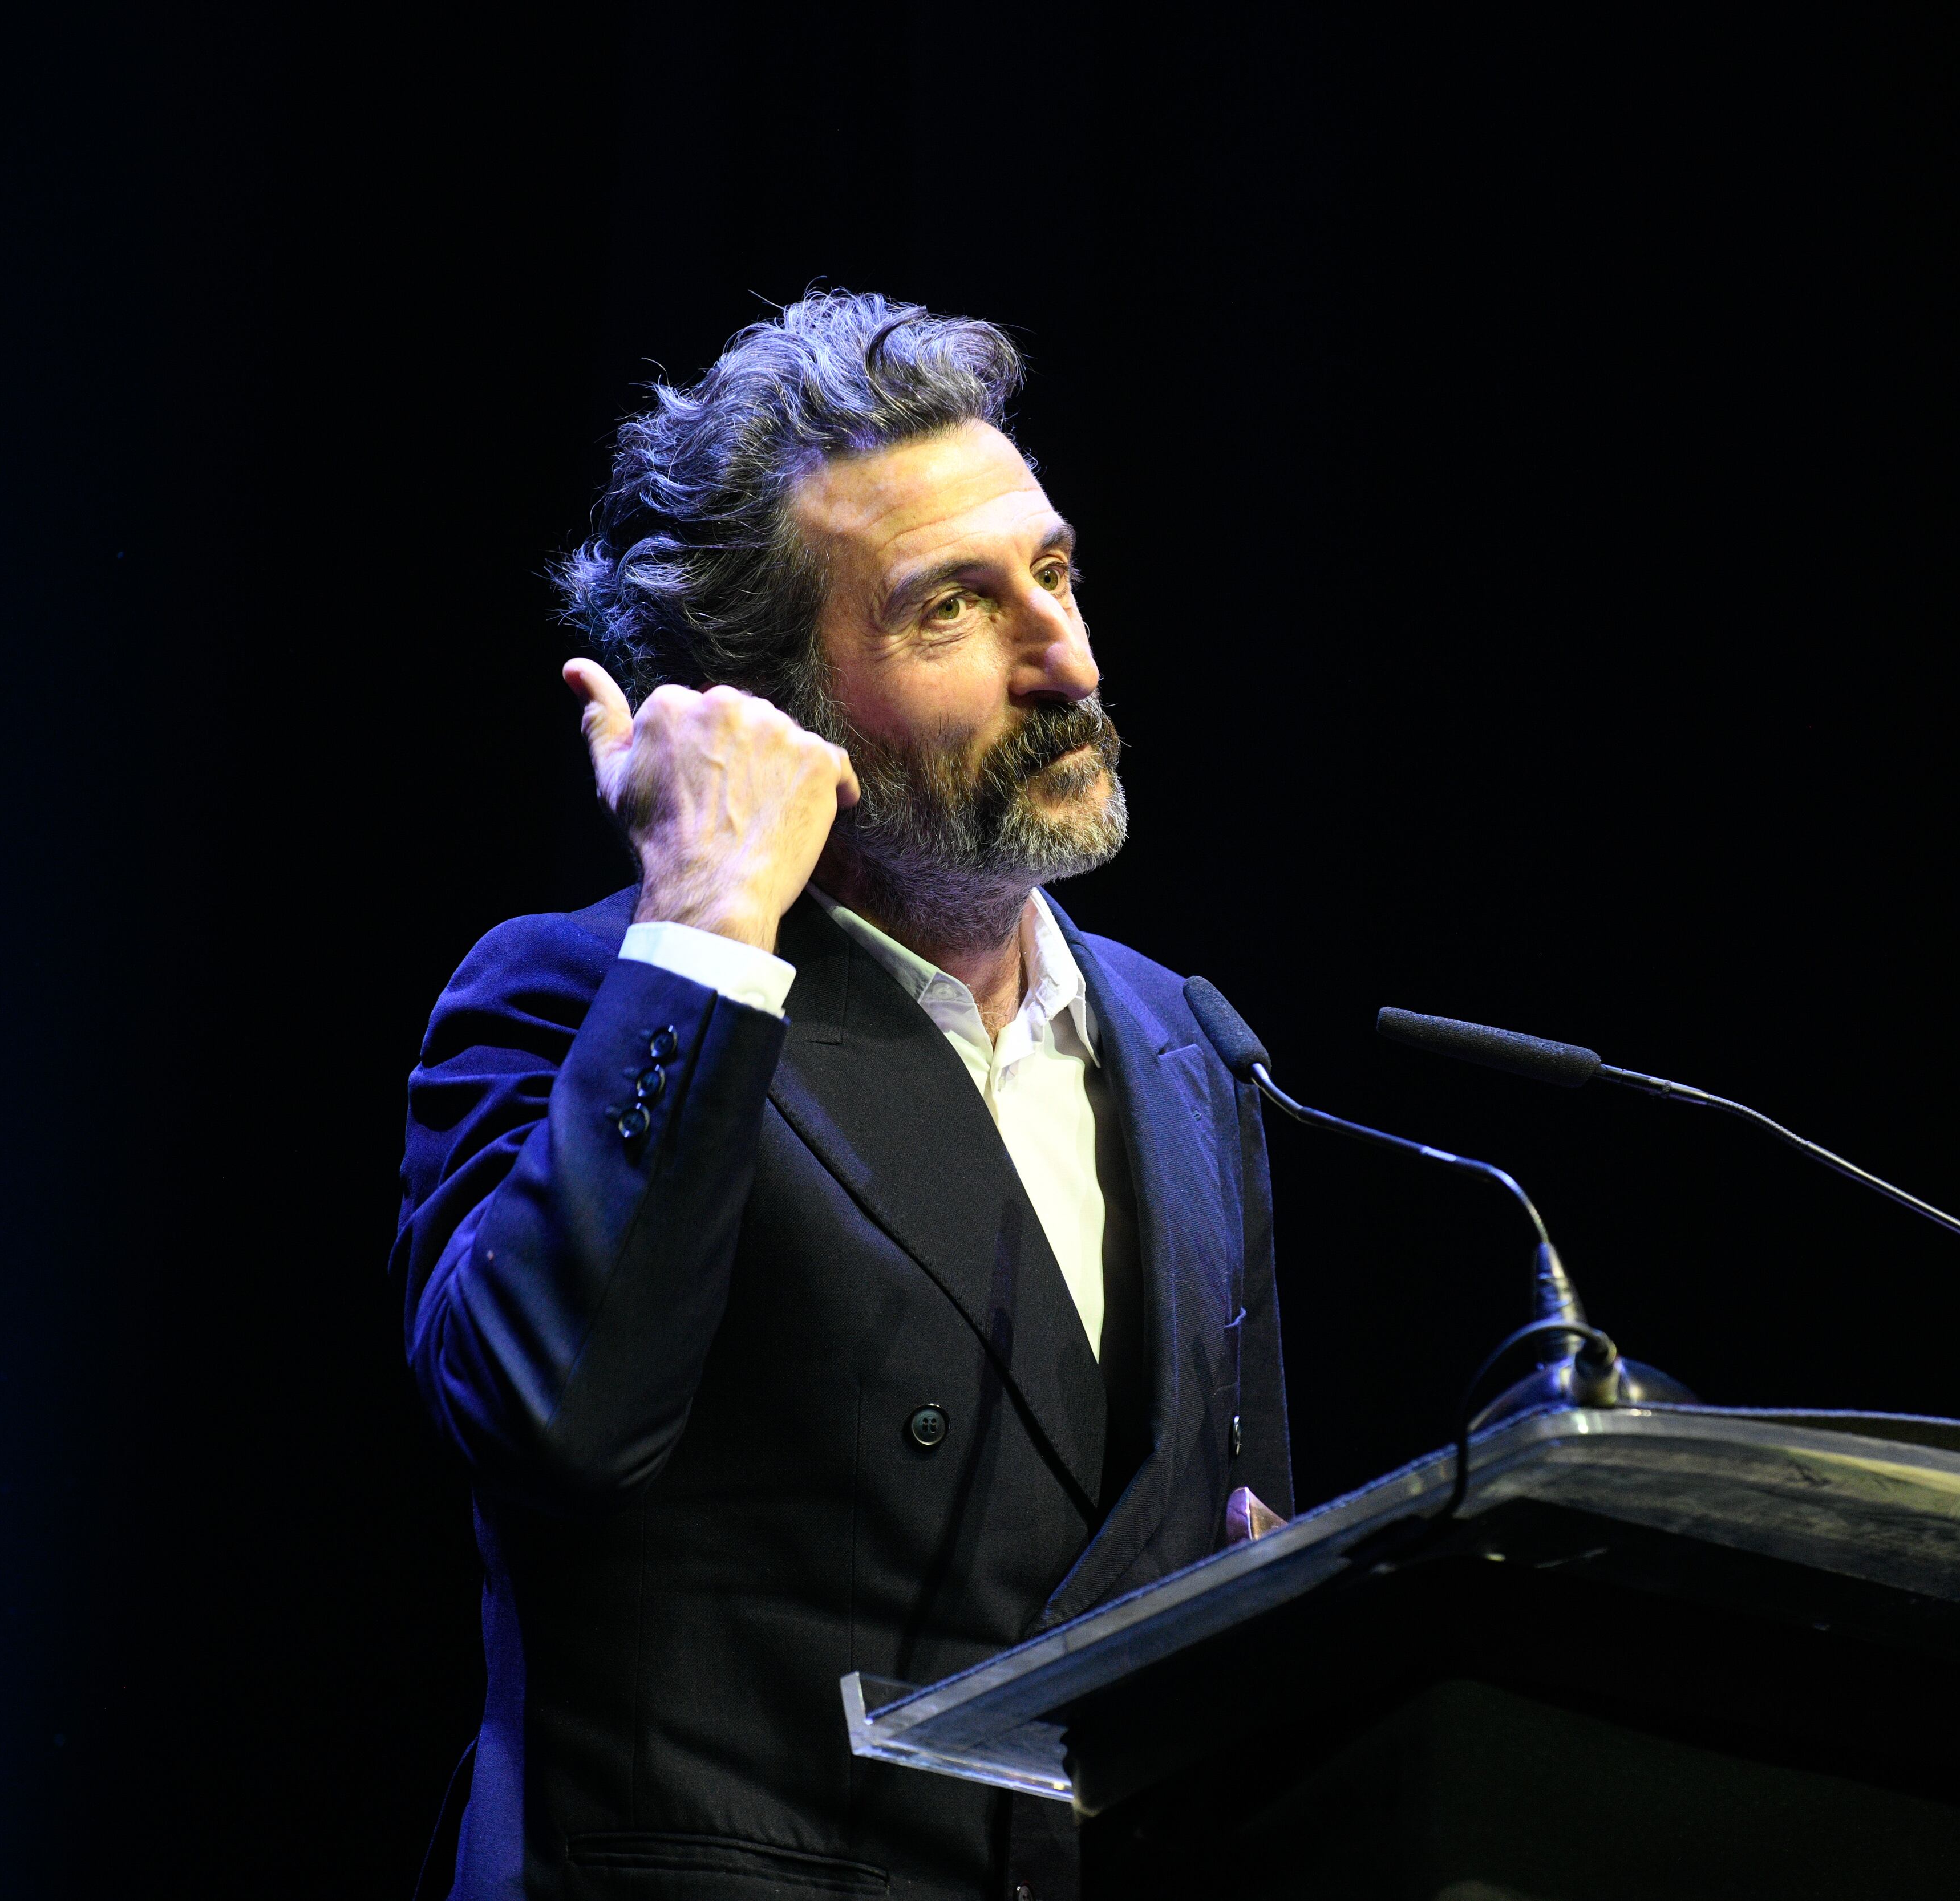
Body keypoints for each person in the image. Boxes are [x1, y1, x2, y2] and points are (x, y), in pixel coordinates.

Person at [395, 290, 1293, 1901]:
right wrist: (705, 934)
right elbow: (551, 1425)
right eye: (951, 611)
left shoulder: (1182, 1045)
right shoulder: (584, 998)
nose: (1066, 661)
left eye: (1055, 573)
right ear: (764, 710)